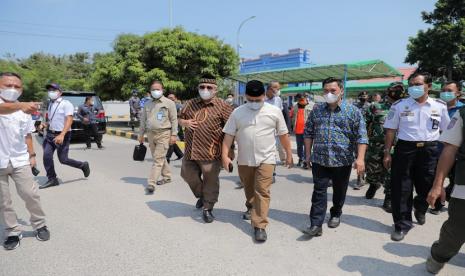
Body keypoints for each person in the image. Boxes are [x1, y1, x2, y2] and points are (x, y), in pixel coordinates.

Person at [222, 80, 293, 242]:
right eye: (251, 100)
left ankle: (259, 225)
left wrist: (288, 154)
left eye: (258, 99)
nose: (254, 103)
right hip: (244, 159)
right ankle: (251, 206)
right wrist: (224, 155)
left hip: (267, 158)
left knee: (262, 190)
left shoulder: (274, 111)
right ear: (246, 96)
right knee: (249, 188)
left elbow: (283, 134)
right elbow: (228, 135)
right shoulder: (237, 112)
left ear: (264, 95)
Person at [383, 72, 450, 241]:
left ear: (428, 86)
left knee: (428, 184)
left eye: (418, 84)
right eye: (411, 84)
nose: (414, 87)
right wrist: (387, 153)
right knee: (401, 188)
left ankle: (420, 207)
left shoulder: (439, 106)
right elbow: (391, 130)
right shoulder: (399, 105)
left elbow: (447, 131)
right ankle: (402, 224)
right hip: (405, 149)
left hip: (430, 150)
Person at [302, 77, 368, 237]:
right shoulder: (316, 110)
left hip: (342, 161)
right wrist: (308, 155)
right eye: (326, 91)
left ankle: (336, 212)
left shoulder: (353, 112)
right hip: (320, 159)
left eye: (333, 90)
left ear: (341, 91)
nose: (329, 93)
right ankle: (316, 224)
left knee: (339, 190)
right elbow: (308, 133)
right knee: (319, 191)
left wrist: (360, 159)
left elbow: (362, 136)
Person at [0, 72, 50, 250]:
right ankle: (12, 231)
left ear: (21, 90)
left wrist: (32, 155)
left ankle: (39, 224)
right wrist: (21, 106)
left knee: (31, 195)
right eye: (8, 85)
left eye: (16, 86)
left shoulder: (24, 112)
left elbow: (27, 134)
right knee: (3, 201)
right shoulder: (20, 107)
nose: (12, 89)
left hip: (20, 160)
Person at [179, 75, 233, 223]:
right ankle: (202, 195)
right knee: (186, 174)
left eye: (209, 88)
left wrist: (228, 153)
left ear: (215, 90)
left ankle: (208, 207)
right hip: (190, 150)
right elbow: (178, 119)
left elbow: (231, 128)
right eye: (202, 87)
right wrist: (184, 122)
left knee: (210, 180)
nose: (205, 90)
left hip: (211, 152)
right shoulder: (190, 104)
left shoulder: (223, 106)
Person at [424, 108, 465, 274]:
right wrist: (438, 185)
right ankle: (438, 256)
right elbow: (449, 149)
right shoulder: (463, 114)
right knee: (454, 233)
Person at [364, 82, 407, 213]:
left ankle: (388, 197)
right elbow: (364, 124)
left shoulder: (407, 108)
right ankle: (374, 184)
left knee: (391, 173)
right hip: (376, 146)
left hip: (396, 146)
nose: (396, 93)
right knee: (372, 170)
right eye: (393, 90)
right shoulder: (375, 107)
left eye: (398, 90)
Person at [40, 83, 90, 189]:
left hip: (62, 135)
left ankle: (82, 165)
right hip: (50, 134)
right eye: (49, 90)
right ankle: (52, 178)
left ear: (60, 92)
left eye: (54, 90)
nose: (51, 92)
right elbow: (51, 119)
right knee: (46, 156)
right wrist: (45, 124)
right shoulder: (50, 104)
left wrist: (62, 134)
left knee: (63, 159)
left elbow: (69, 119)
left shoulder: (66, 104)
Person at [139, 81, 178, 194]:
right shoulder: (147, 104)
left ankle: (151, 183)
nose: (156, 91)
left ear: (162, 90)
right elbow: (143, 120)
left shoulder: (169, 103)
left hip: (164, 133)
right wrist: (141, 134)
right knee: (159, 157)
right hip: (151, 134)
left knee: (157, 159)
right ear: (150, 91)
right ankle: (167, 176)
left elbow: (174, 120)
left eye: (158, 89)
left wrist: (174, 134)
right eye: (153, 89)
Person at [437, 81, 464, 205]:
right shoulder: (435, 107)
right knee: (436, 180)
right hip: (436, 151)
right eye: (443, 90)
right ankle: (436, 204)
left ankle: (448, 197)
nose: (445, 93)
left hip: (455, 154)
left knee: (454, 181)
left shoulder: (461, 110)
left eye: (449, 91)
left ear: (458, 93)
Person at [265, 81, 287, 164]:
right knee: (269, 149)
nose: (279, 90)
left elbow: (280, 114)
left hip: (277, 128)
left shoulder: (278, 99)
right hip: (266, 129)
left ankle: (283, 160)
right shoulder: (262, 99)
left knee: (280, 146)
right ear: (271, 89)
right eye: (277, 89)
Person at [352, 91, 370, 190]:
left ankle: (367, 177)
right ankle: (360, 179)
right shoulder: (354, 107)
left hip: (369, 136)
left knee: (367, 159)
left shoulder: (371, 107)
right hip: (357, 136)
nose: (363, 97)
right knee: (359, 157)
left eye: (365, 96)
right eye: (362, 96)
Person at [291, 93, 314, 169]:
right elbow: (291, 116)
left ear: (305, 98)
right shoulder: (295, 107)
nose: (300, 101)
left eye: (301, 99)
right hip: (298, 130)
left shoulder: (311, 106)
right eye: (298, 100)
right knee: (299, 147)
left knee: (307, 147)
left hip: (308, 130)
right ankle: (300, 159)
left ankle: (306, 161)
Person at [166, 93, 184, 162]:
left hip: (175, 124)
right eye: (168, 97)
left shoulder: (178, 105)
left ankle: (167, 157)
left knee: (170, 140)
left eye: (171, 97)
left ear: (175, 98)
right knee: (171, 141)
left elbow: (180, 115)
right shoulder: (166, 105)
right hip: (167, 125)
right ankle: (180, 154)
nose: (170, 98)